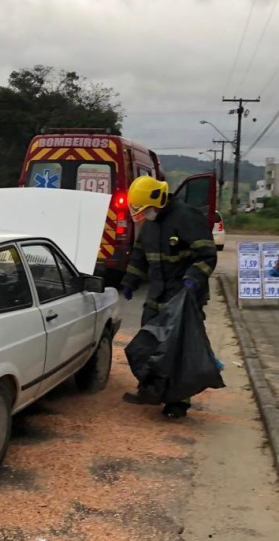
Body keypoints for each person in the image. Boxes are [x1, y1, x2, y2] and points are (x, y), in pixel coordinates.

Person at [120, 176, 217, 419]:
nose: (143, 214)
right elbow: (140, 255)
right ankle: (149, 390)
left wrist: (194, 277)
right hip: (157, 296)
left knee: (177, 349)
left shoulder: (187, 218)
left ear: (158, 201)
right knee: (148, 343)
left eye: (145, 209)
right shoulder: (150, 224)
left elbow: (207, 255)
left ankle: (177, 402)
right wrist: (130, 281)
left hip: (183, 296)